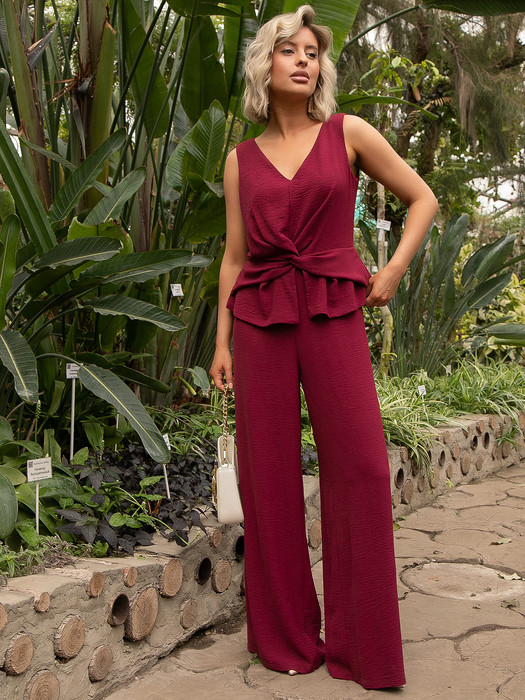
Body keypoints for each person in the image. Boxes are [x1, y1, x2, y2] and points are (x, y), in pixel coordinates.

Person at [209, 4, 438, 690]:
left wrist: (390, 270)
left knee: (361, 465)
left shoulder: (348, 132)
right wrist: (221, 342)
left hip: (334, 305)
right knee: (267, 478)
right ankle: (286, 640)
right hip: (259, 318)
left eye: (312, 52)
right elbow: (233, 257)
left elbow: (422, 199)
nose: (304, 60)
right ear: (265, 65)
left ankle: (362, 645)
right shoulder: (239, 161)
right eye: (290, 50)